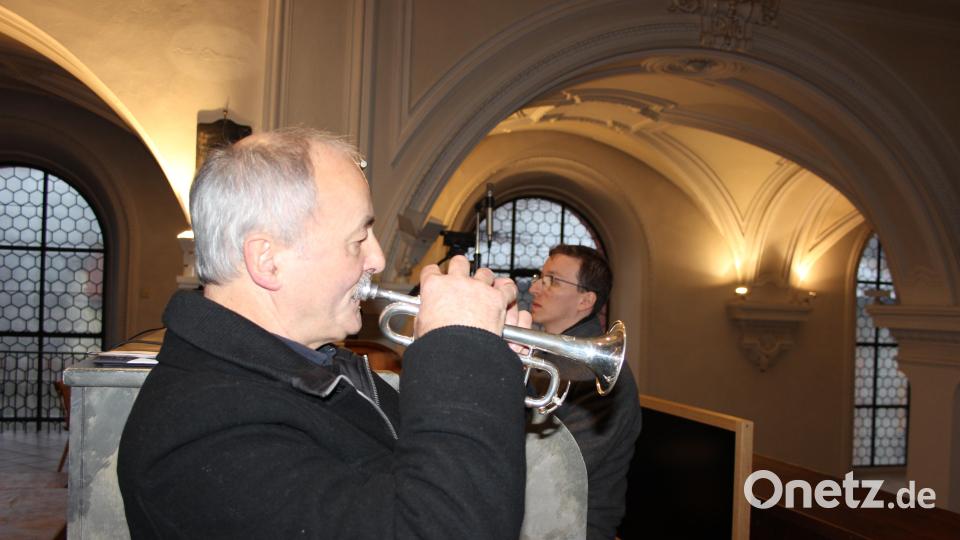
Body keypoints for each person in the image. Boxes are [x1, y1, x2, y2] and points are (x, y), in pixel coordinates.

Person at [117, 128, 531, 539]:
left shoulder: (312, 366)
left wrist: (490, 378)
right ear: (268, 260)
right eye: (358, 239)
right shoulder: (200, 433)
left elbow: (424, 471)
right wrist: (461, 356)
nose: (377, 259)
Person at [529, 244, 642, 540]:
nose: (534, 288)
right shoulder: (545, 356)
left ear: (585, 300)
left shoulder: (598, 375)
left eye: (552, 280)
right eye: (540, 277)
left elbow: (554, 472)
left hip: (569, 529)